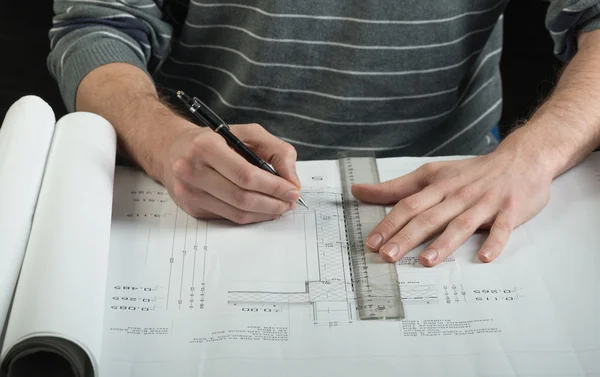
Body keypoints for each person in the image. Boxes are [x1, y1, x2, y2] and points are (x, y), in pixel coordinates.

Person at [48, 1, 600, 267]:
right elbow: (97, 27)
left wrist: (531, 155)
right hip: (197, 178)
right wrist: (160, 138)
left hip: (455, 182)